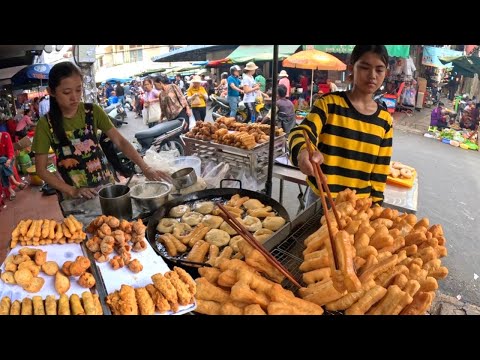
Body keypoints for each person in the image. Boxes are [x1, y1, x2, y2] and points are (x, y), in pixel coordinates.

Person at [32, 62, 170, 208]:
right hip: (74, 195)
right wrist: (72, 191)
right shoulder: (45, 124)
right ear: (51, 91)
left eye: (78, 90)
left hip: (106, 187)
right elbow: (41, 169)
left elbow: (120, 141)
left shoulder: (92, 112)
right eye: (67, 92)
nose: (74, 97)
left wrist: (145, 168)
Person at [288, 45, 393, 207]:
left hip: (358, 206)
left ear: (386, 73)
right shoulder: (329, 104)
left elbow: (380, 171)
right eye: (365, 67)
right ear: (352, 68)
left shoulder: (385, 120)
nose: (372, 75)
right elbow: (302, 131)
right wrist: (303, 152)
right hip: (322, 200)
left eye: (379, 70)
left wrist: (376, 206)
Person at [0, 131, 27, 201]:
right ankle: (15, 182)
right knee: (2, 162)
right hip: (2, 161)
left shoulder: (5, 135)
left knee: (2, 165)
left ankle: (10, 190)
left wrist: (9, 160)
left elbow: (10, 150)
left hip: (9, 158)